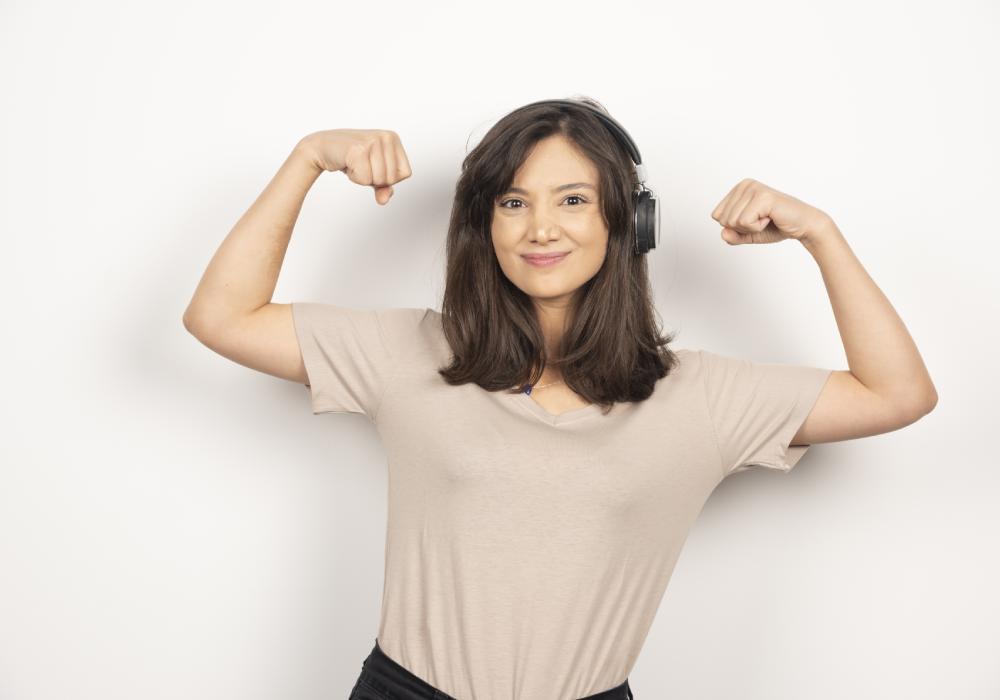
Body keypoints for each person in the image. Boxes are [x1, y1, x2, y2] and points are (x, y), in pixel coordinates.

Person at [182, 96, 938, 700]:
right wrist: (309, 158)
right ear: (485, 226)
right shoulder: (408, 352)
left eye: (572, 199)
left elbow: (897, 393)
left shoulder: (701, 396)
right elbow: (221, 317)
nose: (539, 227)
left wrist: (822, 236)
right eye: (512, 203)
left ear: (628, 221)